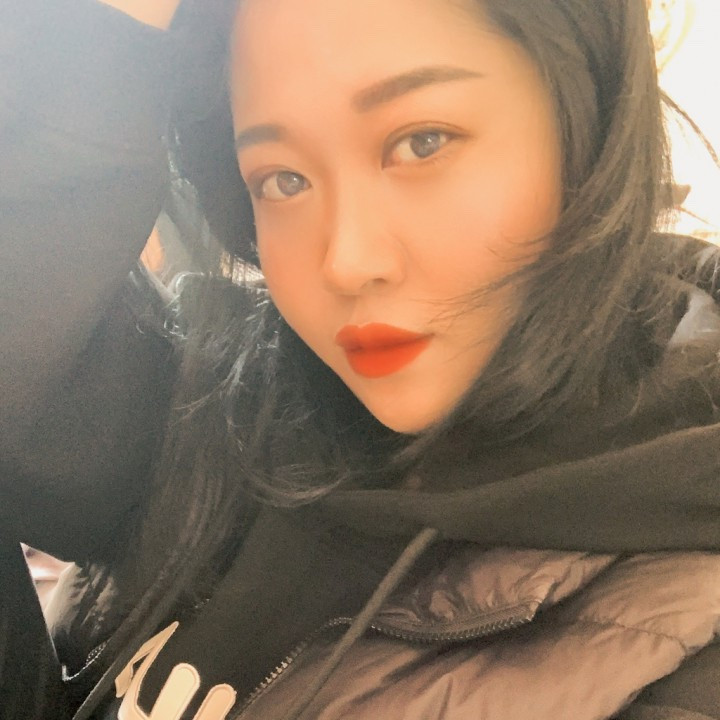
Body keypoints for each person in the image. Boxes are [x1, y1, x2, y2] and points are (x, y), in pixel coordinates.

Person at [2, 0, 720, 718]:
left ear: (589, 118)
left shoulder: (686, 638)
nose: (344, 261)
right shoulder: (227, 399)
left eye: (422, 142)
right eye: (282, 180)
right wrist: (104, 39)